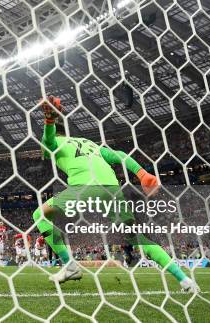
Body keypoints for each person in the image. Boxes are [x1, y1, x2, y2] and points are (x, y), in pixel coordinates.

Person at [32, 95, 198, 293]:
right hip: (112, 190)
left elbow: (48, 140)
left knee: (40, 215)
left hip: (85, 187)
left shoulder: (53, 143)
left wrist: (49, 119)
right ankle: (185, 281)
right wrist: (142, 174)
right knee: (138, 239)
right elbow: (119, 154)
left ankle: (69, 266)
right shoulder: (89, 143)